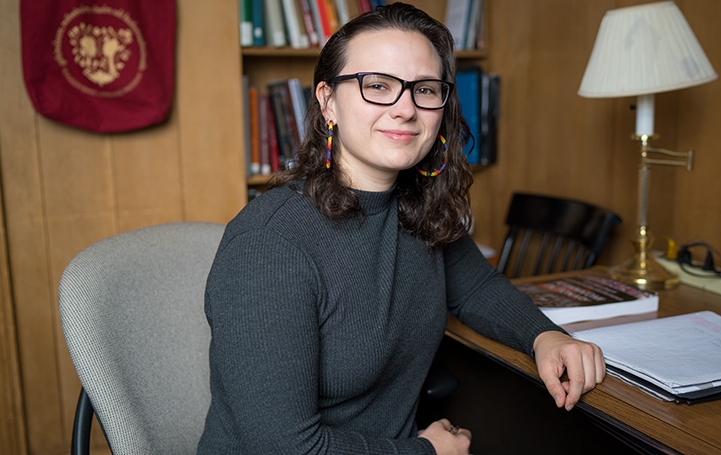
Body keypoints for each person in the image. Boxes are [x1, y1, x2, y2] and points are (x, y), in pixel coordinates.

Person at [197, 3, 605, 454]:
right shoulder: (269, 246)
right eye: (378, 86)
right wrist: (426, 452)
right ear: (328, 101)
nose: (405, 109)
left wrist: (543, 336)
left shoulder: (417, 202)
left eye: (425, 90)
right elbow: (282, 448)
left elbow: (476, 289)